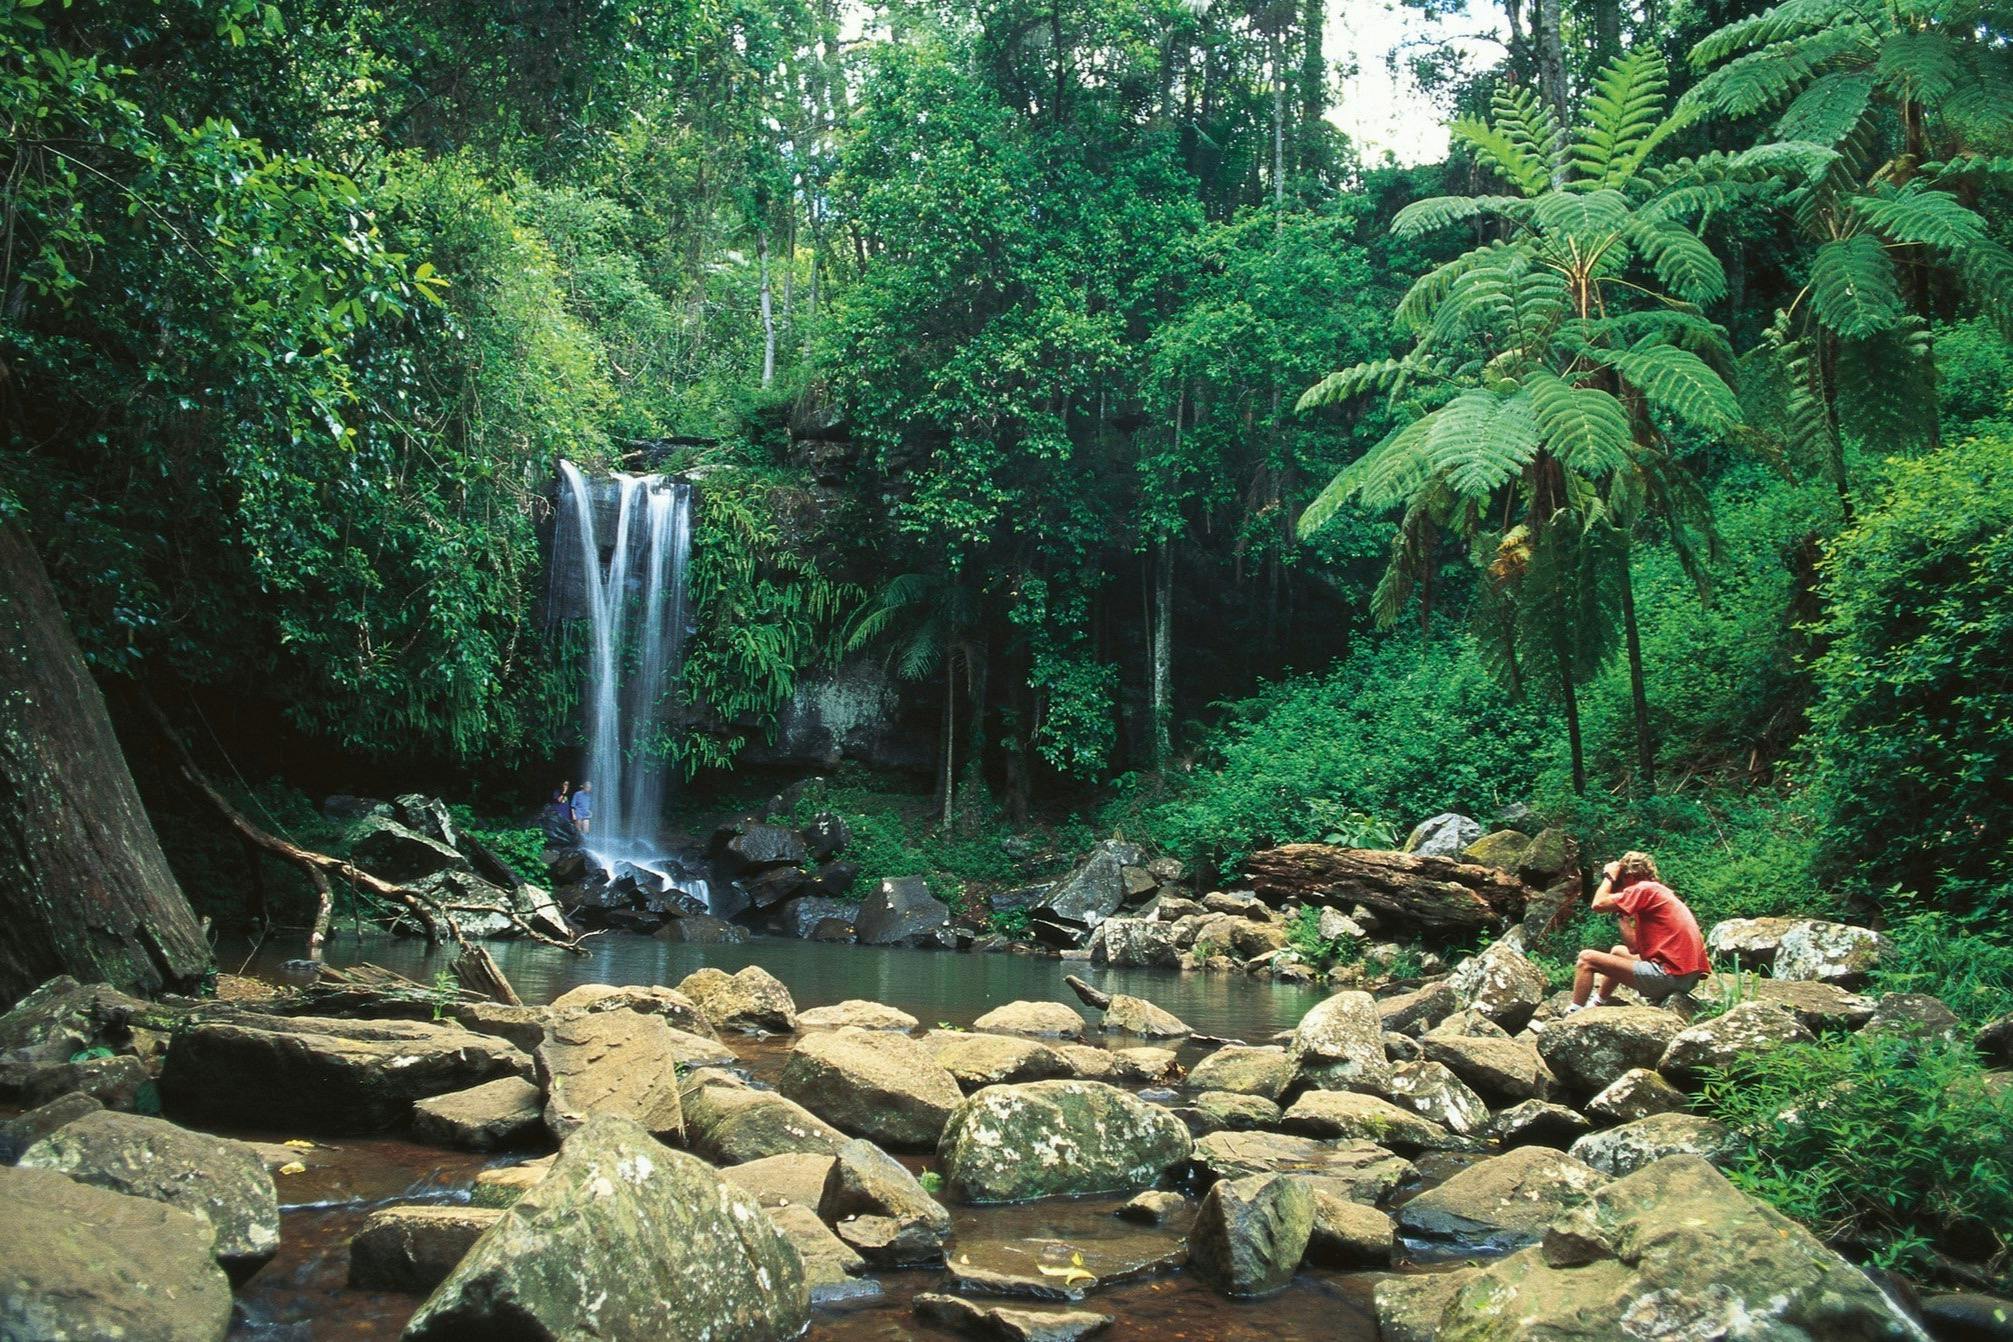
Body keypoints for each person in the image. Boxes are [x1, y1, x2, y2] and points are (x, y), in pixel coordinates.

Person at [1568, 851, 1708, 1012]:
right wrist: (1623, 915)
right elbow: (1634, 948)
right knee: (1618, 952)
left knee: (1586, 959)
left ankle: (1573, 1013)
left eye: (1619, 884)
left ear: (1628, 877)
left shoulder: (1643, 889)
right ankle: (1598, 1003)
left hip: (1670, 976)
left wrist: (1609, 877)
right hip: (1686, 978)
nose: (1618, 890)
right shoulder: (1658, 892)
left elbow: (1598, 904)